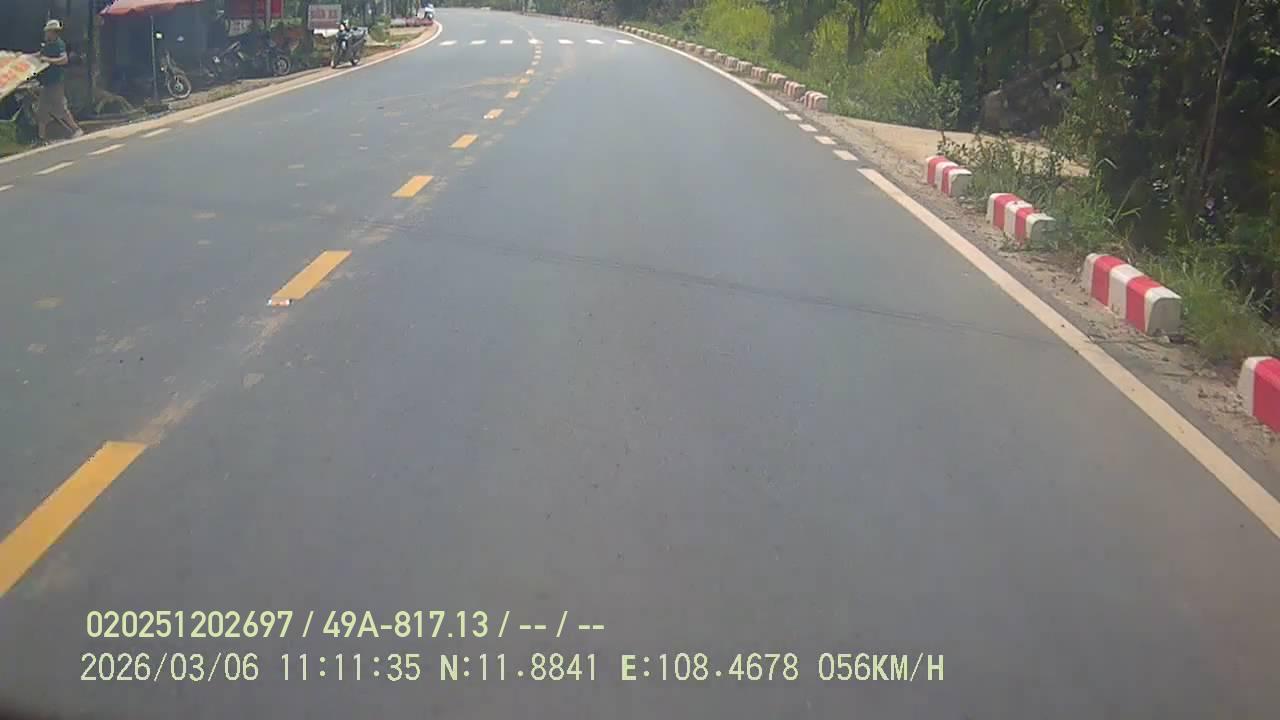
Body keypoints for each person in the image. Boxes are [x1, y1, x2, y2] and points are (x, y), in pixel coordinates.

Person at [35, 19, 82, 143]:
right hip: (46, 82)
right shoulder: (48, 44)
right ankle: (42, 139)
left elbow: (64, 60)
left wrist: (48, 60)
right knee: (42, 110)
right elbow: (41, 55)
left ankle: (76, 129)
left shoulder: (59, 44)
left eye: (48, 32)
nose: (46, 34)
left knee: (60, 107)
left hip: (55, 81)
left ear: (53, 32)